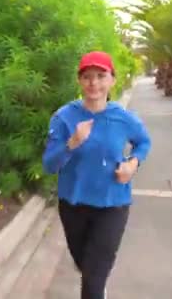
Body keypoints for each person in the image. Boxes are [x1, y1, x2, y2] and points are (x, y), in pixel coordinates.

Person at [42, 51, 151, 299]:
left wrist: (133, 163)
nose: (94, 83)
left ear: (112, 80)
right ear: (79, 81)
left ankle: (96, 286)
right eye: (87, 77)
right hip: (73, 205)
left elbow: (143, 142)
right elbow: (49, 165)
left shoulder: (123, 119)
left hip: (112, 205)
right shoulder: (64, 118)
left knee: (93, 277)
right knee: (86, 266)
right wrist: (72, 142)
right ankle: (97, 283)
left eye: (101, 76)